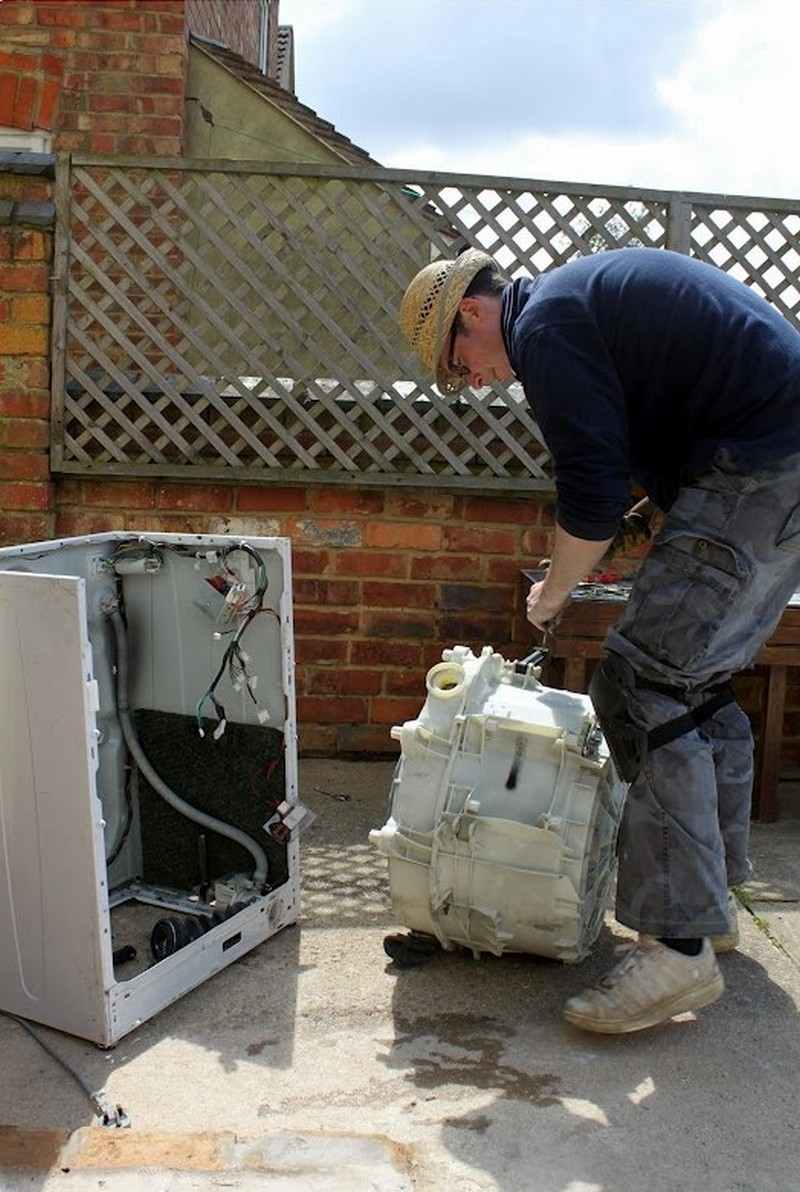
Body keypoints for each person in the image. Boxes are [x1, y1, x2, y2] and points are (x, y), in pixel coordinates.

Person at [399, 245, 800, 1034]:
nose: (472, 382)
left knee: (640, 687)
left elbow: (588, 490)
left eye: (458, 363)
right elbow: (668, 424)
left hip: (761, 471)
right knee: (692, 686)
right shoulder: (575, 305)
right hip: (776, 468)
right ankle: (709, 906)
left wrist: (552, 595)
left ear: (471, 313)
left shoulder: (546, 327)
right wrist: (648, 520)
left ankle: (677, 948)